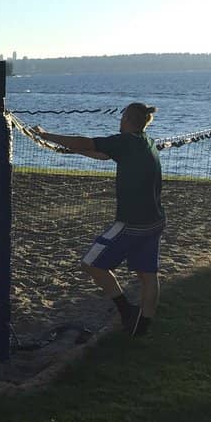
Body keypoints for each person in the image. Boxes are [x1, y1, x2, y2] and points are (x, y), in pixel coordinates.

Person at [35, 102, 164, 336]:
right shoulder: (146, 142)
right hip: (154, 221)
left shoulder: (124, 141)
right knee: (148, 275)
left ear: (126, 119)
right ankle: (142, 327)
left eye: (122, 116)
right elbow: (101, 154)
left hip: (131, 224)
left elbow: (83, 142)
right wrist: (74, 148)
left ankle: (127, 311)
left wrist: (46, 135)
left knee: (91, 264)